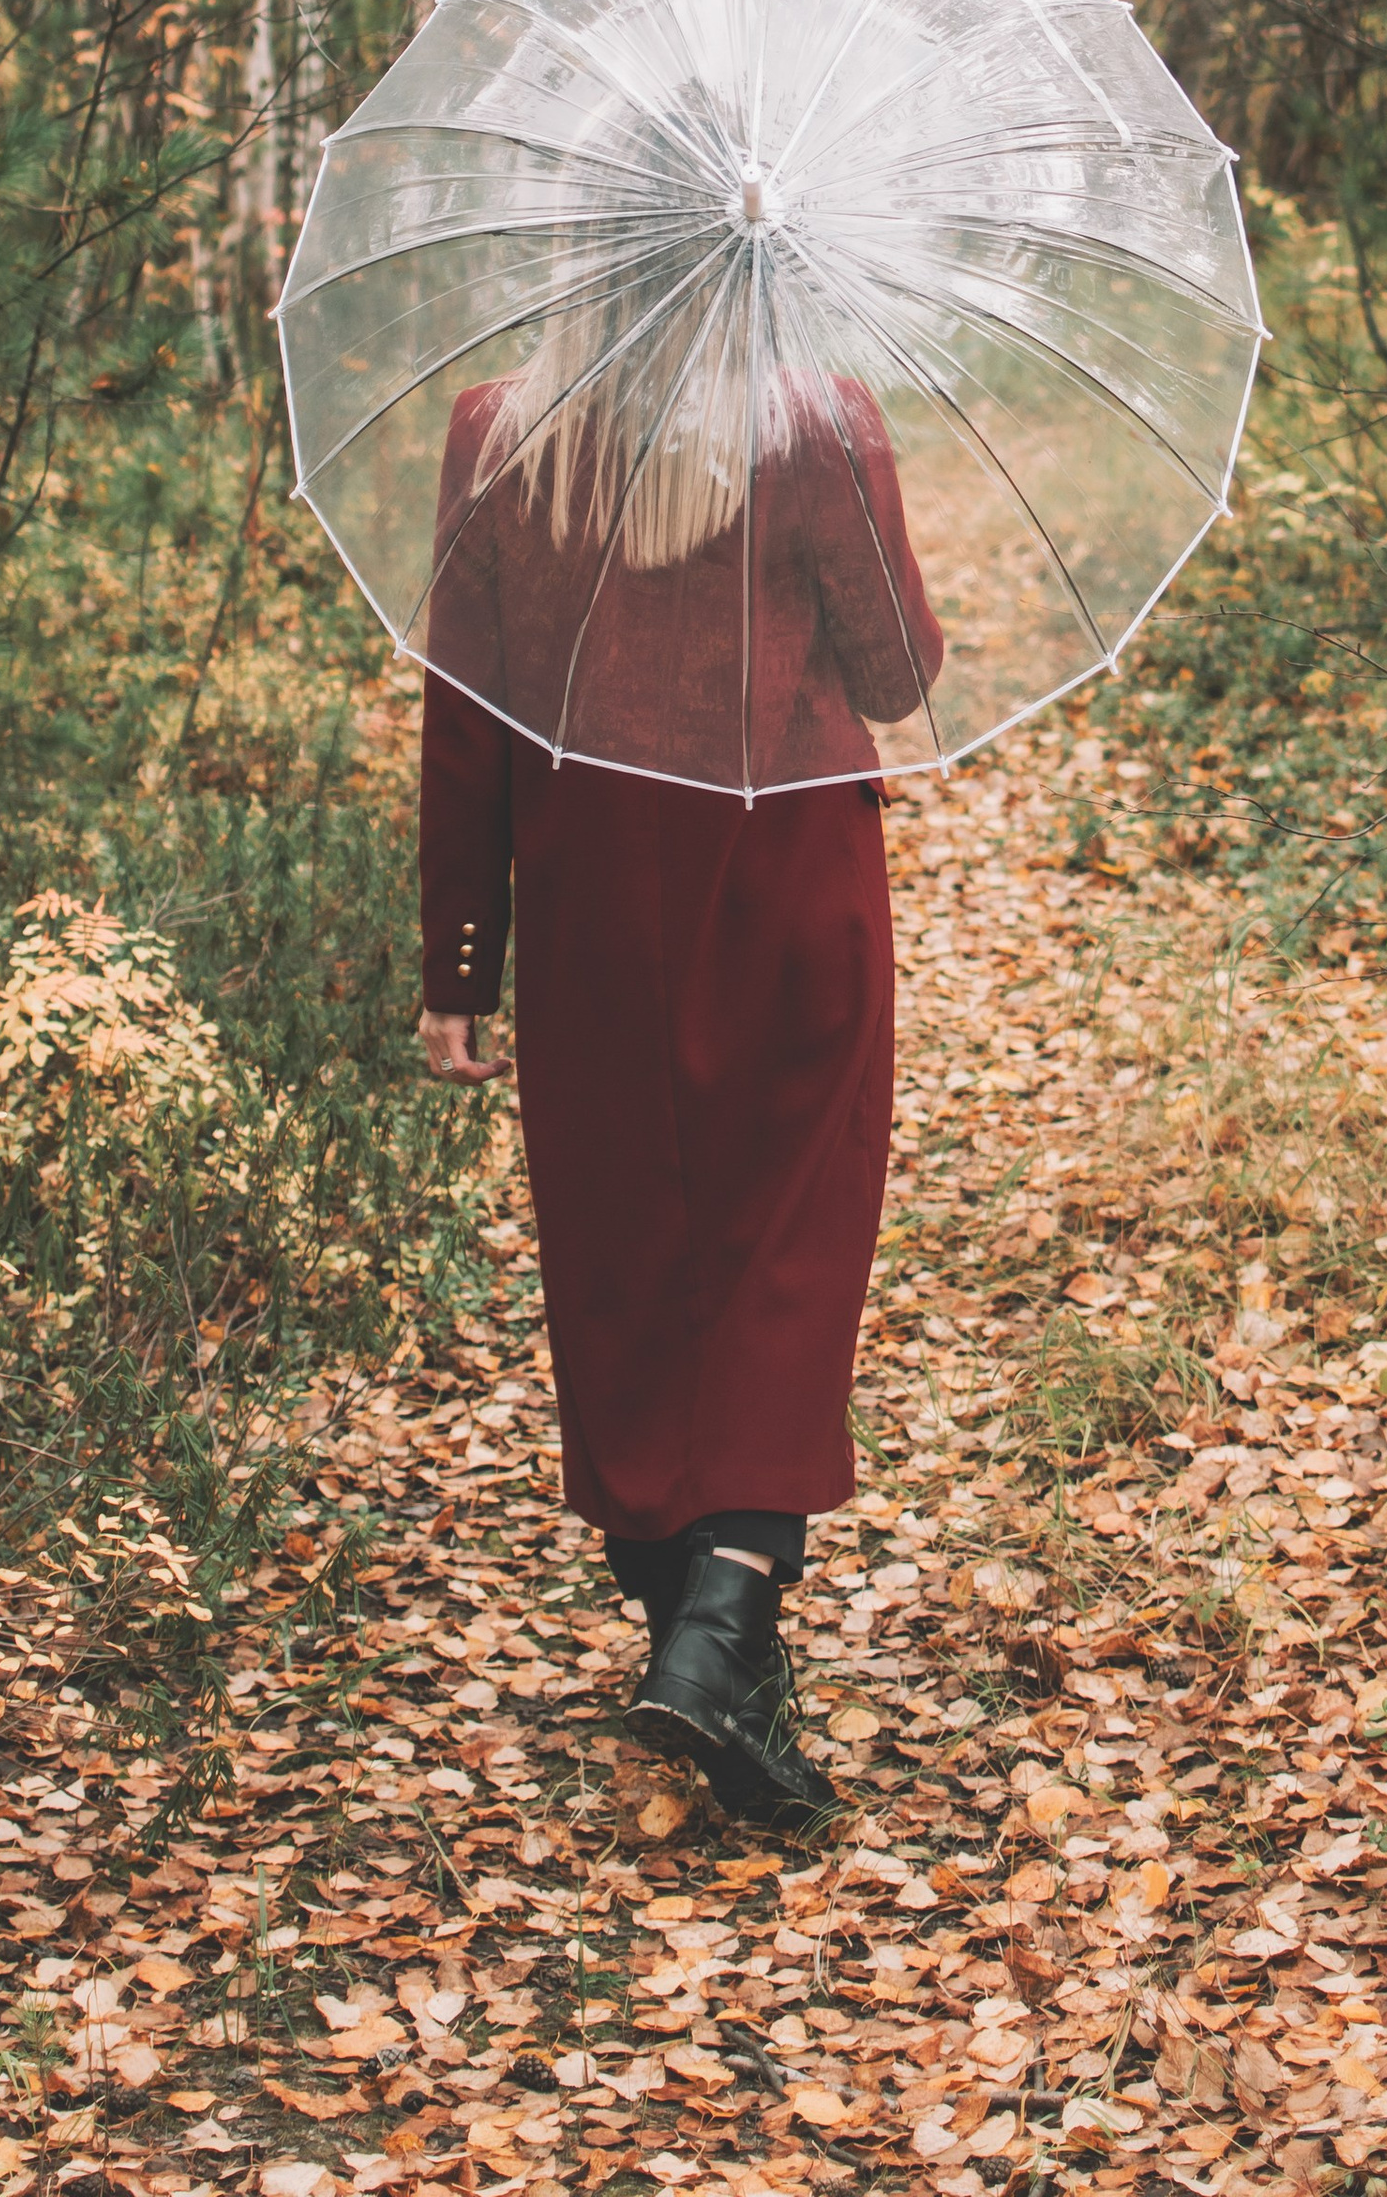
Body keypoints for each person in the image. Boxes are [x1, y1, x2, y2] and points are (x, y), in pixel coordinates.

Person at [415, 260, 943, 1825]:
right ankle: (720, 1634)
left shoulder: (498, 432)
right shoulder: (820, 424)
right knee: (783, 1244)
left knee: (628, 1247)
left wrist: (461, 960)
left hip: (589, 904)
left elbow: (466, 708)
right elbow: (903, 676)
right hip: (788, 886)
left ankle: (703, 1643)